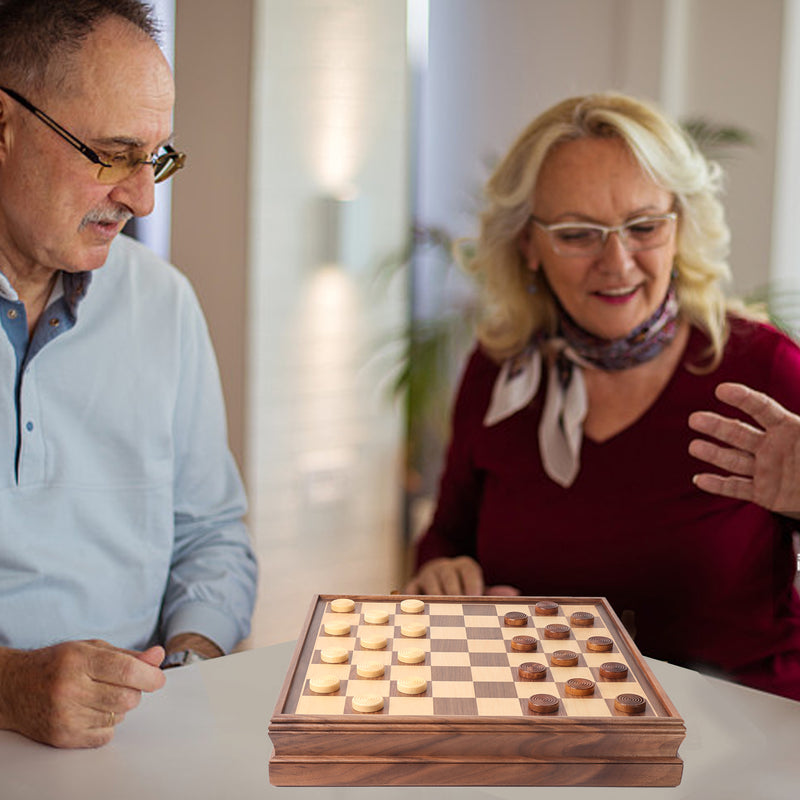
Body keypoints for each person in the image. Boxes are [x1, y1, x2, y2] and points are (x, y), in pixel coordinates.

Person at [403, 91, 800, 702]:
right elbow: (447, 536)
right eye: (577, 234)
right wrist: (441, 574)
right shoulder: (497, 372)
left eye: (643, 227)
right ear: (528, 246)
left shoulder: (762, 367)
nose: (617, 262)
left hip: (736, 745)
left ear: (681, 227)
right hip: (546, 730)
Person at [0, 0, 257, 748]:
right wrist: (10, 687)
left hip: (141, 736)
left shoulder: (164, 302)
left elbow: (212, 537)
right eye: (113, 155)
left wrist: (184, 663)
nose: (143, 197)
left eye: (156, 157)